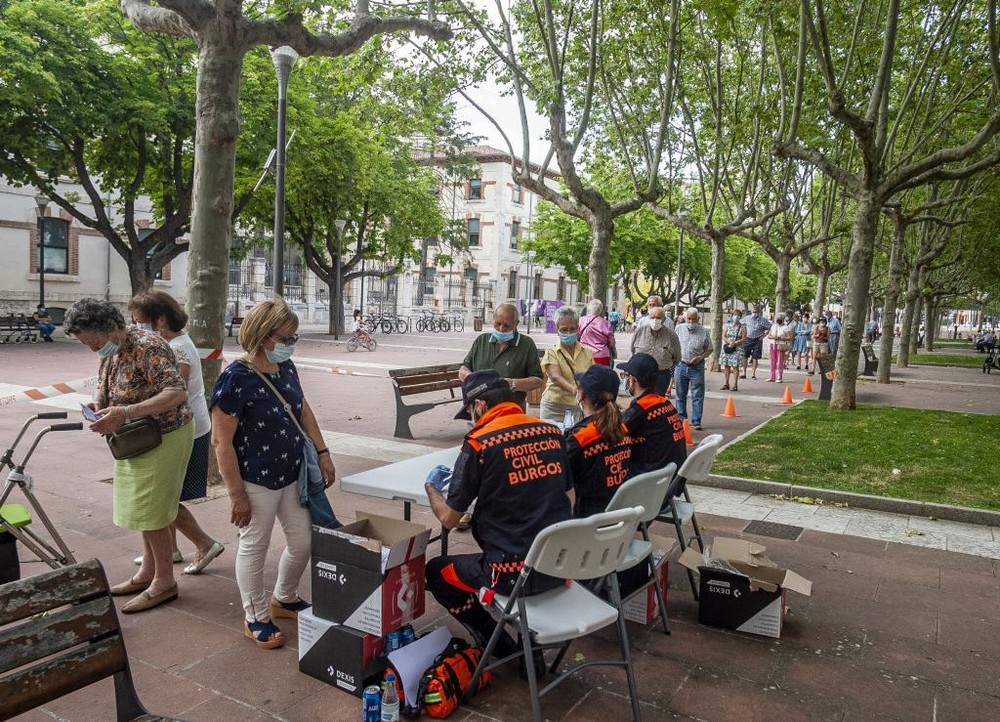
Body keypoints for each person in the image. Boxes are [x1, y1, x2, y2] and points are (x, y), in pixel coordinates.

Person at [210, 297, 335, 650]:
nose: (292, 343)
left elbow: (302, 408)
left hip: (292, 472)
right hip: (256, 480)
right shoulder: (235, 379)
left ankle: (285, 596)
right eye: (287, 337)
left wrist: (322, 452)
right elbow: (223, 444)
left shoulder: (286, 367)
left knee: (303, 541)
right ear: (264, 336)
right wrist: (236, 495)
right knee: (255, 545)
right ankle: (256, 616)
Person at [424, 370, 572, 659]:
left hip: (509, 575)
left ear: (478, 405)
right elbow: (569, 499)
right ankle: (531, 647)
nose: (472, 418)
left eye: (470, 411)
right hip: (557, 565)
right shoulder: (552, 433)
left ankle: (496, 642)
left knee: (435, 570)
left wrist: (432, 487)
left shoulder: (480, 442)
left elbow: (449, 519)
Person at [65, 298, 194, 613]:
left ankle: (164, 582)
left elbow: (177, 391)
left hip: (164, 435)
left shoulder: (148, 346)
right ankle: (148, 572)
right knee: (142, 508)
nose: (93, 350)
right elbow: (104, 382)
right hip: (137, 438)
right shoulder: (114, 348)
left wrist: (125, 412)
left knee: (152, 510)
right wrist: (98, 404)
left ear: (109, 328)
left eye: (93, 342)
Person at [127, 291, 225, 575]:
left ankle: (205, 543)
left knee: (164, 497)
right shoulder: (172, 343)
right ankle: (168, 549)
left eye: (139, 323)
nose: (136, 329)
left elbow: (172, 391)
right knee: (167, 494)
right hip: (184, 427)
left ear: (160, 320)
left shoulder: (178, 348)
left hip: (185, 429)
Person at [565, 365, 632, 518]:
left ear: (583, 396)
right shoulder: (622, 429)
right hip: (614, 515)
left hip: (584, 520)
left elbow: (557, 474)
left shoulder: (582, 438)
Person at [459, 303, 543, 409]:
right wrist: (474, 379)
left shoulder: (526, 344)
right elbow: (463, 369)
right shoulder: (481, 341)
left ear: (516, 324)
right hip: (480, 410)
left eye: (507, 325)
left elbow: (537, 380)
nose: (501, 328)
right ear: (493, 319)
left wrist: (512, 383)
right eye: (497, 323)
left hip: (511, 410)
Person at [617, 353, 686, 477]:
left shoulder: (641, 410)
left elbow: (612, 434)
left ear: (633, 380)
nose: (625, 380)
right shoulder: (664, 403)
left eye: (626, 376)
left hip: (649, 480)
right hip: (672, 477)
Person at [539, 305, 594, 426]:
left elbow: (592, 377)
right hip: (553, 407)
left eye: (572, 329)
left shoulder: (587, 353)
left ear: (578, 328)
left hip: (578, 407)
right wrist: (575, 391)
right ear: (557, 329)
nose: (568, 333)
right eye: (564, 329)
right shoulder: (551, 352)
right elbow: (555, 377)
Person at [675, 308, 714, 431]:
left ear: (698, 319)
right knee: (680, 394)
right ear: (685, 318)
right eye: (688, 319)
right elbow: (673, 345)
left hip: (696, 367)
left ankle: (696, 421)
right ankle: (682, 419)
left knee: (697, 394)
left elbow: (709, 348)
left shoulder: (704, 331)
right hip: (681, 365)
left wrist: (701, 357)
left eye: (693, 319)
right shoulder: (679, 329)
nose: (690, 322)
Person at [630, 305, 681, 396]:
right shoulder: (639, 332)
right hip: (641, 375)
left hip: (661, 376)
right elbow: (632, 350)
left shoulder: (672, 336)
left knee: (657, 403)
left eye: (658, 318)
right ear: (648, 318)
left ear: (664, 319)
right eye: (652, 317)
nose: (655, 320)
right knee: (639, 402)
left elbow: (677, 358)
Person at [578, 299, 617, 367]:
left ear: (589, 308)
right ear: (601, 310)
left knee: (584, 376)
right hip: (602, 355)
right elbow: (611, 343)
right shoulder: (606, 323)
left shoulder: (581, 320)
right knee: (602, 376)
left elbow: (576, 336)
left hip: (584, 354)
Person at [740, 303, 771, 380]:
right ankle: (744, 372)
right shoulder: (747, 318)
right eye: (753, 312)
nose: (754, 313)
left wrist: (764, 335)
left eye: (756, 312)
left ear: (759, 312)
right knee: (745, 356)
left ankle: (753, 374)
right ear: (751, 311)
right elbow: (740, 324)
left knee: (755, 357)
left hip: (757, 340)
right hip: (747, 339)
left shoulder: (763, 320)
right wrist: (742, 334)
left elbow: (771, 327)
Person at [719, 311, 746, 391]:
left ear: (740, 317)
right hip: (727, 347)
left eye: (738, 315)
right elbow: (723, 336)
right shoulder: (727, 326)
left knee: (735, 366)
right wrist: (728, 342)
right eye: (734, 315)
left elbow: (744, 338)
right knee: (726, 366)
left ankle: (735, 384)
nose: (736, 317)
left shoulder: (743, 327)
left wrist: (736, 343)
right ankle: (726, 383)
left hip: (737, 348)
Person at [766, 315, 794, 382]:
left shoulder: (786, 327)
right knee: (772, 361)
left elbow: (790, 337)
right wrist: (773, 337)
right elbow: (769, 336)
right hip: (773, 344)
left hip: (781, 345)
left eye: (779, 318)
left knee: (779, 361)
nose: (778, 319)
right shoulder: (773, 326)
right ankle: (772, 376)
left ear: (783, 319)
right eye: (777, 318)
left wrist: (781, 338)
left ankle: (779, 377)